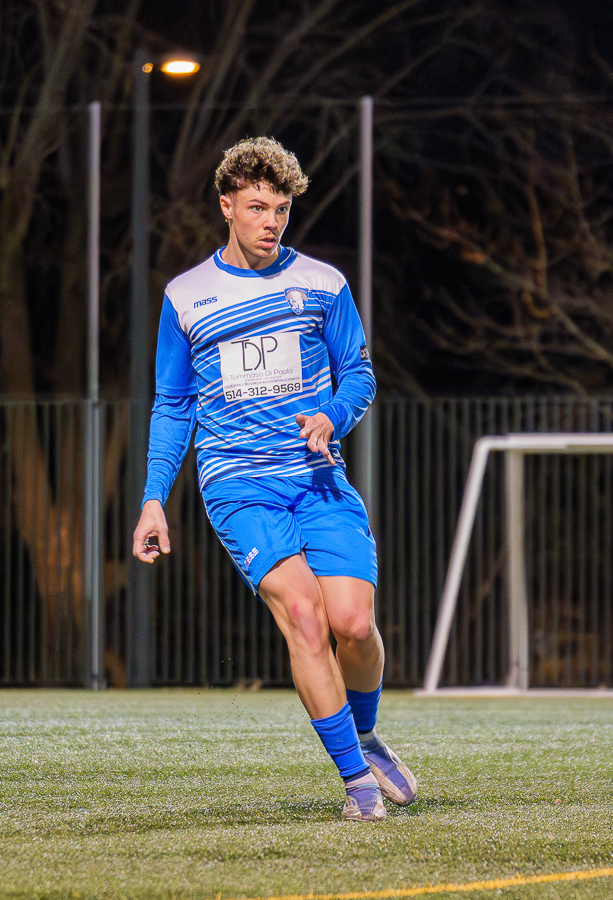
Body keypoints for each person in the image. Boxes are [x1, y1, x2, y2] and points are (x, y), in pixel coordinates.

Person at [130, 137, 416, 821]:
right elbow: (173, 405)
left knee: (354, 622)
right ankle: (358, 785)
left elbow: (362, 376)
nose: (270, 221)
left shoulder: (323, 284)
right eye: (257, 206)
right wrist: (152, 501)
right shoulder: (187, 297)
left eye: (281, 209)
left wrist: (333, 415)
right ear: (226, 204)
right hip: (238, 486)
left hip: (316, 479)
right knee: (304, 617)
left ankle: (367, 733)